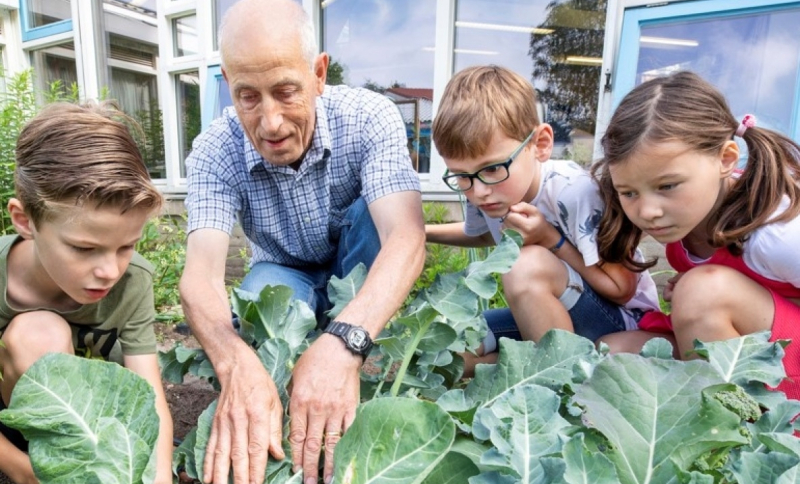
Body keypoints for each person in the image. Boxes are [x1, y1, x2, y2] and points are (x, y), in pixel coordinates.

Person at [179, 0, 425, 483]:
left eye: (285, 91)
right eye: (248, 96)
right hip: (282, 271)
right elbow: (200, 276)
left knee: (375, 217)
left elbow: (406, 236)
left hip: (356, 262)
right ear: (228, 83)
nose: (270, 122)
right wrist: (234, 364)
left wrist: (345, 342)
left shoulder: (368, 117)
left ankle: (354, 355)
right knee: (258, 312)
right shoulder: (215, 150)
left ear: (318, 73)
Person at [425, 65, 659, 375]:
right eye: (461, 176)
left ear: (540, 144)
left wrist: (551, 238)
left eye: (492, 168)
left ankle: (559, 383)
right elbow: (481, 235)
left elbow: (622, 290)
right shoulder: (485, 187)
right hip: (552, 312)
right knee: (446, 348)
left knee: (525, 265)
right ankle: (534, 370)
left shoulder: (574, 192)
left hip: (619, 321)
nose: (478, 191)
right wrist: (421, 232)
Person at [591, 71, 800, 398]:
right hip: (749, 356)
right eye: (629, 192)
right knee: (613, 354)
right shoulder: (687, 217)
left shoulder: (779, 232)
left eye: (667, 186)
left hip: (788, 372)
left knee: (702, 292)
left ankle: (735, 428)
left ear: (725, 159)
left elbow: (712, 294)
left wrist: (711, 297)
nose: (647, 211)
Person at [0, 102, 172, 484]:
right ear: (25, 221)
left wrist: (158, 478)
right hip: (19, 433)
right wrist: (23, 471)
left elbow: (150, 396)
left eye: (126, 246)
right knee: (38, 335)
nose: (110, 271)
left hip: (100, 434)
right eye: (83, 248)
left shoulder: (133, 280)